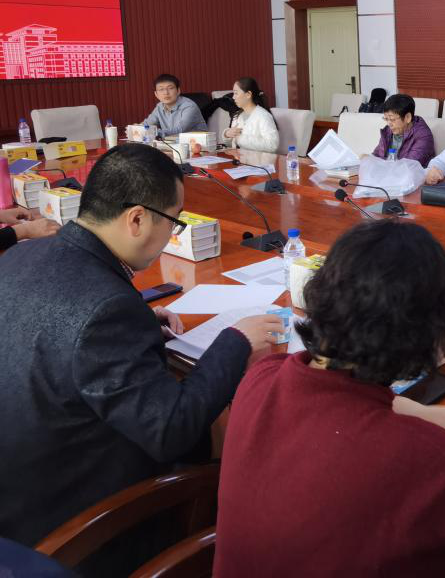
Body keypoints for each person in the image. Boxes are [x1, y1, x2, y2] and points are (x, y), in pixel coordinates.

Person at [215, 220, 445, 576]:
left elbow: (336, 399)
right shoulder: (426, 458)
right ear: (431, 332)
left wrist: (413, 409)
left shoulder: (261, 379)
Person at [0, 144, 282, 547]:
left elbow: (60, 325)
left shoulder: (22, 255)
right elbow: (171, 430)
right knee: (229, 435)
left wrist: (139, 322)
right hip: (69, 527)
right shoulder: (107, 308)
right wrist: (235, 341)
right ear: (136, 219)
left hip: (17, 485)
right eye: (174, 221)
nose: (173, 233)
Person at [373, 93, 435, 166]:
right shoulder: (388, 131)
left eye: (392, 119)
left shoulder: (423, 136)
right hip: (386, 171)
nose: (389, 124)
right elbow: (376, 156)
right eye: (386, 119)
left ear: (407, 118)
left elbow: (409, 166)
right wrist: (368, 159)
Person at [222, 77, 279, 153]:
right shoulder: (237, 116)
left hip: (260, 160)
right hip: (241, 159)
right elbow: (231, 145)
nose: (233, 97)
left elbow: (272, 145)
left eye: (236, 93)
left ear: (248, 94)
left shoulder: (263, 116)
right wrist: (227, 134)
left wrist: (240, 139)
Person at [143, 73, 207, 134]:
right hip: (173, 141)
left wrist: (155, 132)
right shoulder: (159, 107)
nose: (166, 93)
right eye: (161, 89)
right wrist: (139, 129)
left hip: (197, 141)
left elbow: (180, 129)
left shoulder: (189, 106)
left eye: (170, 88)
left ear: (178, 91)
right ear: (156, 94)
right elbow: (147, 124)